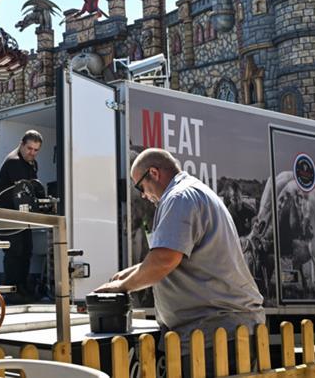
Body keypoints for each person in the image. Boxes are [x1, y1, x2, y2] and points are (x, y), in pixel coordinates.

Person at [95, 148, 264, 376]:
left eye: (140, 187)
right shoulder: (194, 192)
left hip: (212, 334)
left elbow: (164, 260)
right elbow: (172, 256)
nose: (143, 195)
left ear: (154, 173)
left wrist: (122, 286)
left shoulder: (179, 197)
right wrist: (126, 275)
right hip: (224, 330)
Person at [0, 130, 43, 303]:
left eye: (36, 150)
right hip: (7, 214)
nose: (32, 153)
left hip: (20, 216)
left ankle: (22, 288)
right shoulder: (15, 162)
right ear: (21, 144)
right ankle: (12, 291)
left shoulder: (32, 163)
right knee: (15, 252)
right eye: (29, 148)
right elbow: (25, 190)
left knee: (26, 250)